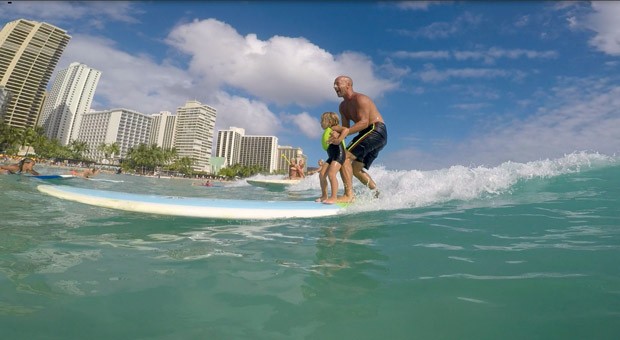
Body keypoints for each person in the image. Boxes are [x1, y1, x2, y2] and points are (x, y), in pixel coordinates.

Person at [332, 75, 388, 202]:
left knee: (344, 157)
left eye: (338, 83)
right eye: (334, 84)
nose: (335, 87)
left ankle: (349, 196)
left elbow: (363, 122)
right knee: (356, 169)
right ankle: (378, 195)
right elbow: (346, 127)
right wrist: (337, 133)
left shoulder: (360, 99)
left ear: (348, 85)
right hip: (371, 134)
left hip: (375, 130)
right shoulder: (343, 107)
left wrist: (343, 134)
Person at [316, 111, 349, 204]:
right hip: (331, 155)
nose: (320, 122)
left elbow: (346, 130)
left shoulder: (333, 127)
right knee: (322, 174)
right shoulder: (328, 131)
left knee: (331, 174)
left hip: (339, 154)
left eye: (322, 120)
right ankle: (324, 196)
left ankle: (334, 197)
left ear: (329, 122)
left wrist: (339, 139)